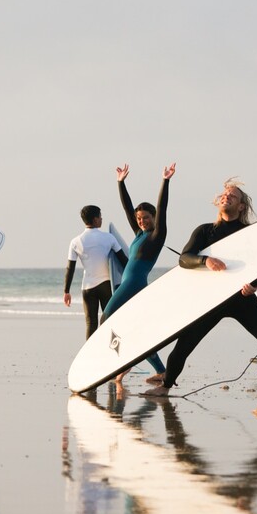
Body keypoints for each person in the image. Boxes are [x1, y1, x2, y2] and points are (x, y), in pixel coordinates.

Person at [142, 179, 257, 401]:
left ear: (241, 206)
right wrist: (206, 261)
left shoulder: (250, 234)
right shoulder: (205, 231)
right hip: (211, 300)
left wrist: (256, 283)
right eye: (224, 194)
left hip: (242, 299)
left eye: (232, 195)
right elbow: (185, 259)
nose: (226, 196)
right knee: (182, 348)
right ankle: (165, 387)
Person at [101, 163, 176, 384]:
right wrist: (120, 183)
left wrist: (165, 181)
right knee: (136, 330)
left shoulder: (156, 236)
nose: (142, 221)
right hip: (128, 284)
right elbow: (127, 208)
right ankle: (160, 370)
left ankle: (118, 360)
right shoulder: (138, 234)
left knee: (106, 317)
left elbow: (162, 209)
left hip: (133, 285)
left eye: (146, 217)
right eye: (139, 218)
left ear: (153, 217)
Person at [64, 205, 128, 339]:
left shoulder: (75, 241)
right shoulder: (109, 238)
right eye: (100, 216)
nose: (101, 219)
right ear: (94, 219)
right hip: (105, 285)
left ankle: (89, 354)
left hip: (88, 287)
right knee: (110, 320)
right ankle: (112, 349)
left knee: (91, 323)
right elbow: (124, 261)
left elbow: (70, 268)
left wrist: (66, 291)